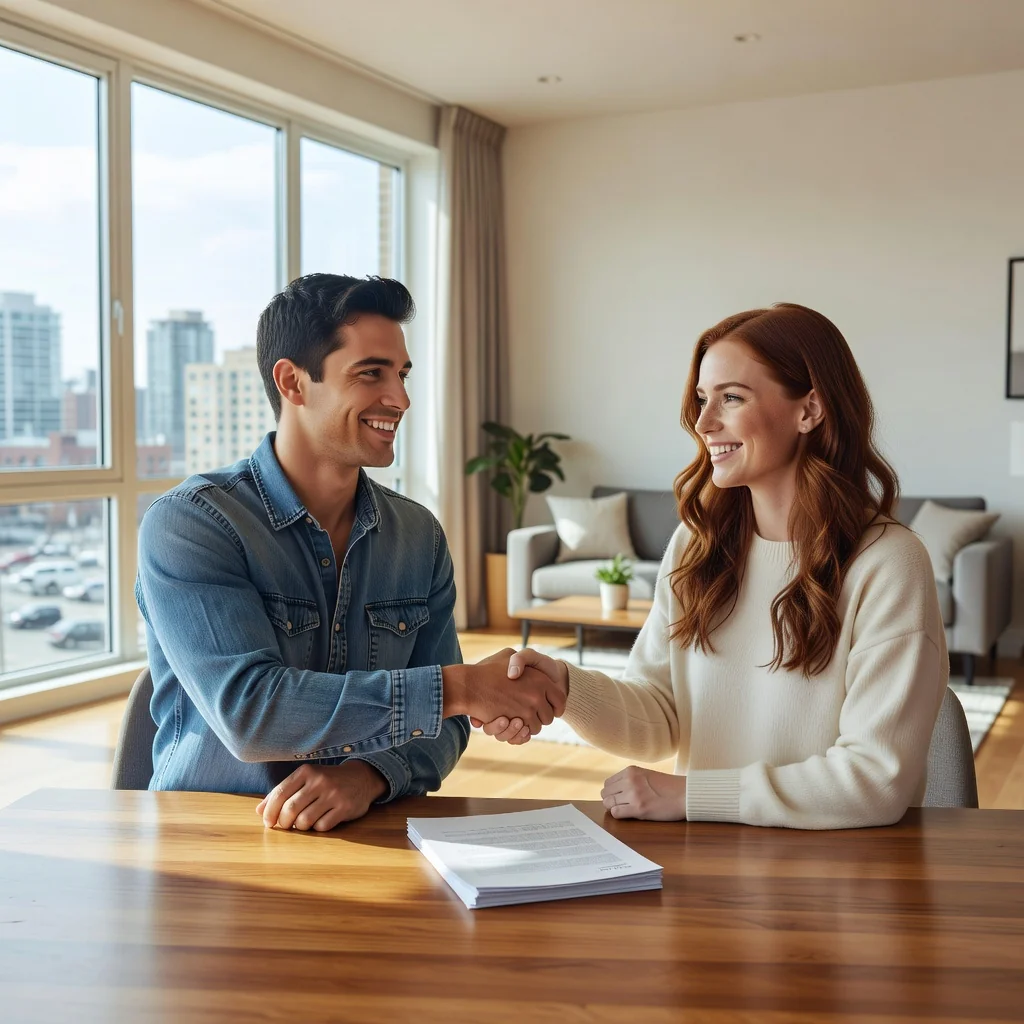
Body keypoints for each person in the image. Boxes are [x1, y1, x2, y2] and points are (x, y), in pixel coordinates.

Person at [483, 303, 947, 830]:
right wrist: (565, 688)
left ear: (809, 410)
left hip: (840, 880)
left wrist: (691, 795)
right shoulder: (697, 545)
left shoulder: (887, 563)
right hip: (710, 869)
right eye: (703, 399)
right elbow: (658, 715)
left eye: (731, 397)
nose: (703, 423)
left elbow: (874, 779)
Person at [136, 273, 565, 832]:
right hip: (211, 846)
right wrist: (463, 686)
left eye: (402, 375)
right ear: (292, 382)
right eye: (371, 374)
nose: (400, 399)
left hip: (367, 838)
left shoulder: (418, 536)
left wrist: (371, 775)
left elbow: (449, 724)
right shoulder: (192, 524)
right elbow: (250, 712)